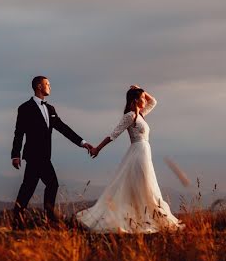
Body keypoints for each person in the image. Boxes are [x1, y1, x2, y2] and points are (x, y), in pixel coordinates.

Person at [76, 85, 184, 233]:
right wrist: (97, 149)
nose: (145, 101)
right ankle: (137, 219)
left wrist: (141, 90)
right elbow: (113, 134)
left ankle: (143, 217)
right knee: (143, 185)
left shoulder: (141, 115)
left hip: (144, 152)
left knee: (144, 185)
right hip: (138, 153)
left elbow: (154, 102)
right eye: (141, 99)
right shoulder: (130, 116)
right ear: (135, 101)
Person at [11, 76, 94, 222]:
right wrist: (15, 155)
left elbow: (63, 128)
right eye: (47, 84)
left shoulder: (50, 109)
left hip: (45, 156)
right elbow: (19, 133)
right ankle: (48, 218)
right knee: (50, 184)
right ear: (39, 86)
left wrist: (82, 142)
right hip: (33, 155)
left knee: (29, 187)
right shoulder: (25, 108)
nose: (50, 86)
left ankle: (20, 218)